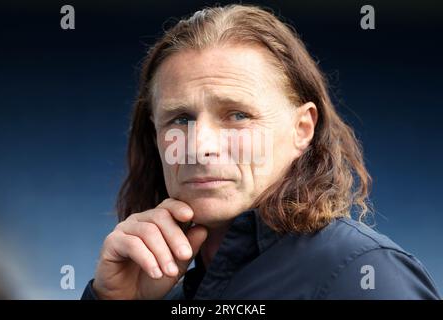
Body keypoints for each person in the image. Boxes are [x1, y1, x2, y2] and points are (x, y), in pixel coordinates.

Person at [82, 4, 441, 299]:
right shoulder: (163, 294)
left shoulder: (364, 276)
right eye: (179, 119)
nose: (201, 146)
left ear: (302, 129)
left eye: (238, 115)